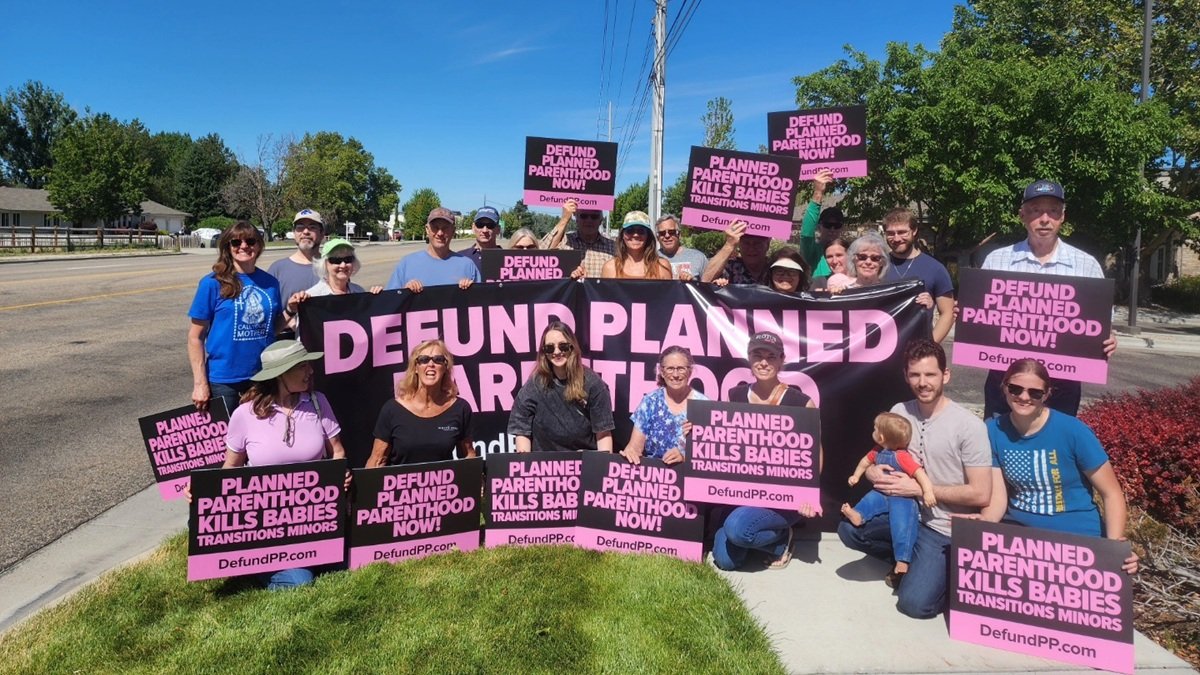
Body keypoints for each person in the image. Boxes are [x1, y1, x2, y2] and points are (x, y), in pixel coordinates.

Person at [837, 339, 992, 619]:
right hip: (905, 514)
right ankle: (905, 560)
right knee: (850, 530)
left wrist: (919, 489)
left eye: (930, 374)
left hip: (943, 527)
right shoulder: (899, 411)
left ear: (946, 375)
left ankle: (939, 573)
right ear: (906, 376)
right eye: (915, 375)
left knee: (915, 605)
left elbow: (981, 494)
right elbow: (877, 457)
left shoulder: (969, 426)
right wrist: (872, 472)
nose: (923, 382)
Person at [981, 359, 1138, 574]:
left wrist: (1114, 547)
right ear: (1004, 387)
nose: (1024, 397)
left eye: (1035, 392)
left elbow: (1111, 493)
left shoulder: (1073, 431)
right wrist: (982, 524)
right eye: (1015, 389)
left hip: (1077, 538)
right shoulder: (993, 430)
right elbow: (998, 498)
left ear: (1046, 395)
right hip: (1020, 539)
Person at [980, 180, 1117, 417]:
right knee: (996, 448)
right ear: (1022, 214)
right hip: (1005, 383)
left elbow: (1102, 324)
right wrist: (971, 319)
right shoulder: (996, 260)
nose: (1045, 219)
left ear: (1062, 216)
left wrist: (1108, 339)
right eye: (1035, 210)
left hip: (1061, 386)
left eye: (1053, 211)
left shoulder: (1086, 265)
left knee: (1055, 452)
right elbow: (981, 316)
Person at [220, 339, 349, 590]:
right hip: (267, 523)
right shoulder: (244, 414)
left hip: (314, 518)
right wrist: (205, 492)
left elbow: (338, 451)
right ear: (281, 374)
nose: (310, 371)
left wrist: (341, 472)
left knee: (345, 564)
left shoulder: (318, 402)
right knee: (300, 582)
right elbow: (230, 469)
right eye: (303, 367)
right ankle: (257, 563)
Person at [711, 332, 820, 571]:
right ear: (749, 359)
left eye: (771, 357)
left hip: (782, 498)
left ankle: (781, 541)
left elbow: (815, 455)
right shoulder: (735, 396)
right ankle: (761, 539)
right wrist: (698, 431)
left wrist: (807, 495)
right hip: (740, 494)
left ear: (781, 360)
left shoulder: (801, 402)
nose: (763, 362)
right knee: (726, 561)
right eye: (757, 355)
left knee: (738, 531)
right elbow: (722, 443)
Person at [188, 222, 289, 414]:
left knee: (260, 438)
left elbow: (270, 329)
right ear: (228, 247)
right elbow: (195, 337)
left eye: (250, 241)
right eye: (236, 242)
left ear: (259, 246)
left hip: (263, 376)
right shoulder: (212, 283)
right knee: (224, 441)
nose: (243, 246)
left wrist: (291, 310)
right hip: (224, 380)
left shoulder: (270, 283)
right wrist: (200, 383)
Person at [842, 412, 936, 586]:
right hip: (882, 493)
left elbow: (919, 473)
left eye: (875, 429)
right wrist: (856, 476)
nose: (873, 431)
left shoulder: (902, 457)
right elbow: (864, 462)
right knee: (869, 500)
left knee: (902, 525)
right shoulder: (877, 450)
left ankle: (902, 559)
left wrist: (927, 492)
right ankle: (858, 514)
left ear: (882, 436)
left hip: (903, 498)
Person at [508, 321, 615, 453]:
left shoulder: (593, 383)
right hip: (545, 466)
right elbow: (521, 430)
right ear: (544, 352)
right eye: (550, 348)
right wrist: (525, 463)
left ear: (572, 347)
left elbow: (603, 433)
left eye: (563, 346)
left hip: (582, 463)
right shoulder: (534, 385)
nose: (557, 352)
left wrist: (601, 467)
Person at [367, 339, 476, 466]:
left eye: (438, 359)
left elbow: (468, 454)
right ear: (416, 368)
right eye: (424, 359)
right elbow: (377, 460)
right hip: (401, 485)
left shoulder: (460, 408)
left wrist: (477, 481)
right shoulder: (392, 409)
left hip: (444, 485)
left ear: (446, 368)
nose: (431, 364)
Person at [620, 346, 709, 465]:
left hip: (688, 475)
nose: (676, 374)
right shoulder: (650, 402)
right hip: (655, 475)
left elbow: (709, 457)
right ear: (662, 372)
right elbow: (634, 448)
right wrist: (630, 453)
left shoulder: (703, 405)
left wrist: (684, 457)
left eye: (681, 369)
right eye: (670, 369)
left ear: (690, 371)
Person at [883, 208, 956, 343]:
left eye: (902, 232)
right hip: (881, 348)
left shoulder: (935, 269)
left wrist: (929, 346)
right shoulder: (877, 266)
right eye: (891, 233)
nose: (897, 238)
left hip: (917, 351)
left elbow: (948, 313)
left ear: (914, 231)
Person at [385, 207, 480, 292]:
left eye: (445, 228)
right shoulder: (407, 264)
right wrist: (404, 292)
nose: (440, 233)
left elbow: (480, 304)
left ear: (453, 231)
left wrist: (471, 292)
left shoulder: (467, 265)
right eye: (435, 227)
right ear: (427, 229)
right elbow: (390, 304)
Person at [541, 199, 615, 278]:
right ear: (576, 219)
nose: (589, 220)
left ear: (600, 221)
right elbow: (541, 257)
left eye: (594, 216)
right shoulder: (565, 241)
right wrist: (564, 219)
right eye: (584, 216)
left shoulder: (613, 247)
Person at [269, 209, 326, 301]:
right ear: (294, 233)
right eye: (300, 227)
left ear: (322, 233)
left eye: (312, 227)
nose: (306, 231)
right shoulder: (278, 269)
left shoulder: (334, 266)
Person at [601, 211, 675, 280]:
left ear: (648, 236)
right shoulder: (610, 268)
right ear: (623, 235)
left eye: (641, 231)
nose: (635, 235)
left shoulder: (662, 266)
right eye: (630, 230)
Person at [795, 168, 842, 277]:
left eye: (837, 225)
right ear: (819, 226)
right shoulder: (812, 252)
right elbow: (806, 235)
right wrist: (818, 193)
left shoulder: (850, 253)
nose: (832, 229)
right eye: (828, 225)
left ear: (842, 228)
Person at [305, 238, 383, 297]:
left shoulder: (359, 292)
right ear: (325, 264)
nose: (343, 265)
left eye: (348, 259)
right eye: (336, 260)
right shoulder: (312, 296)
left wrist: (375, 300)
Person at [701, 220, 771, 285]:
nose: (751, 248)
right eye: (746, 243)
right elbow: (705, 281)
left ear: (767, 245)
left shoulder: (775, 268)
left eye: (757, 243)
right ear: (739, 245)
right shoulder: (730, 266)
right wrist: (729, 244)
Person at [655, 214, 708, 280]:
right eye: (662, 233)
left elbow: (709, 283)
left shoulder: (698, 257)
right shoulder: (651, 259)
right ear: (657, 237)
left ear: (679, 235)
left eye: (671, 232)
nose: (667, 236)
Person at [459, 205, 503, 274]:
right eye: (480, 225)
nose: (485, 230)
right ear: (473, 227)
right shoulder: (460, 258)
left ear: (498, 229)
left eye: (490, 225)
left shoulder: (508, 260)